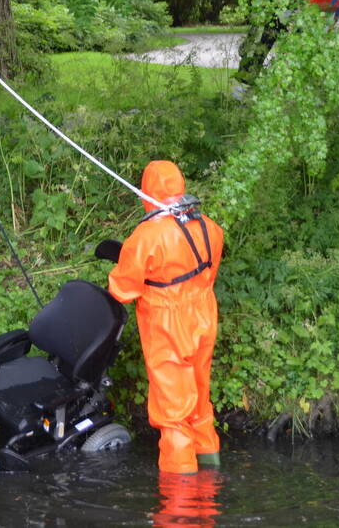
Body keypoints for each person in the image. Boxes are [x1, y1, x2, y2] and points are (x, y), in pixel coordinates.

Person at [107, 160, 225, 474]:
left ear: (147, 192)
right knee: (200, 398)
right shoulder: (209, 227)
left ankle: (180, 497)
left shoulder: (147, 235)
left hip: (167, 324)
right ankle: (210, 474)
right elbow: (208, 275)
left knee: (173, 410)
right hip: (203, 315)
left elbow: (123, 289)